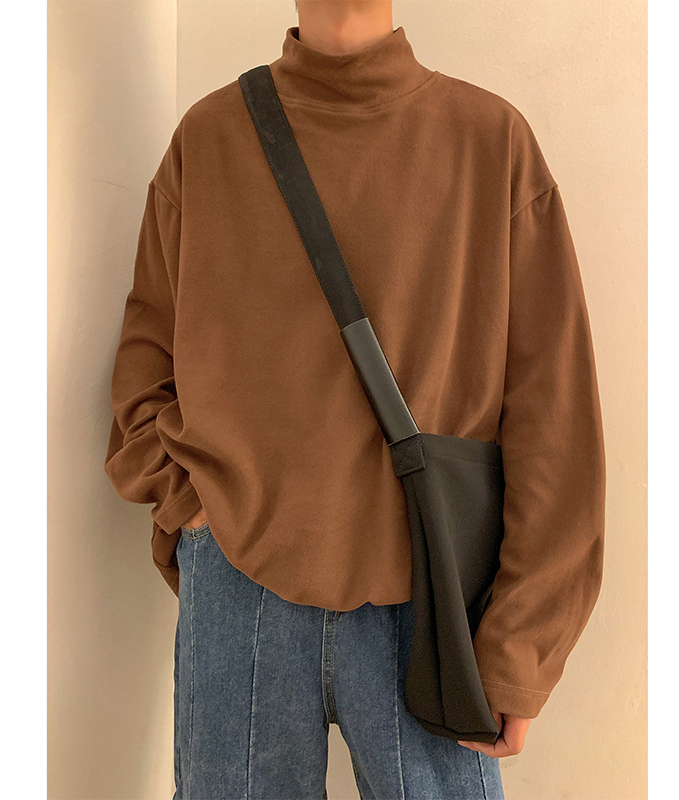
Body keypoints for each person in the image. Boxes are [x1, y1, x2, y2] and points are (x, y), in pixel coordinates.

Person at [103, 1, 606, 797]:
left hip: (431, 598)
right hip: (239, 591)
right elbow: (143, 365)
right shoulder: (210, 139)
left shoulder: (490, 142)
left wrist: (523, 640)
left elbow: (555, 414)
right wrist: (195, 514)